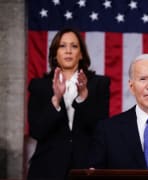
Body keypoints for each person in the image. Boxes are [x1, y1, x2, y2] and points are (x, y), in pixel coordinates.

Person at [27, 28, 110, 179]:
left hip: (86, 168)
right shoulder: (39, 86)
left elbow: (100, 130)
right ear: (54, 54)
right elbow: (36, 131)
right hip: (47, 169)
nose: (68, 51)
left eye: (74, 46)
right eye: (62, 46)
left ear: (81, 54)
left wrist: (83, 97)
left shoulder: (99, 84)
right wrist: (56, 100)